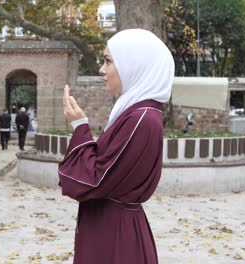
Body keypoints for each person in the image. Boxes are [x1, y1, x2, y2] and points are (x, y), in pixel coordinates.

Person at [58, 29, 174, 264]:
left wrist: (80, 126)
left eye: (109, 61)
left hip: (114, 234)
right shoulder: (135, 113)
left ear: (134, 65)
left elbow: (94, 180)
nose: (101, 69)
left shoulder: (141, 119)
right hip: (110, 225)